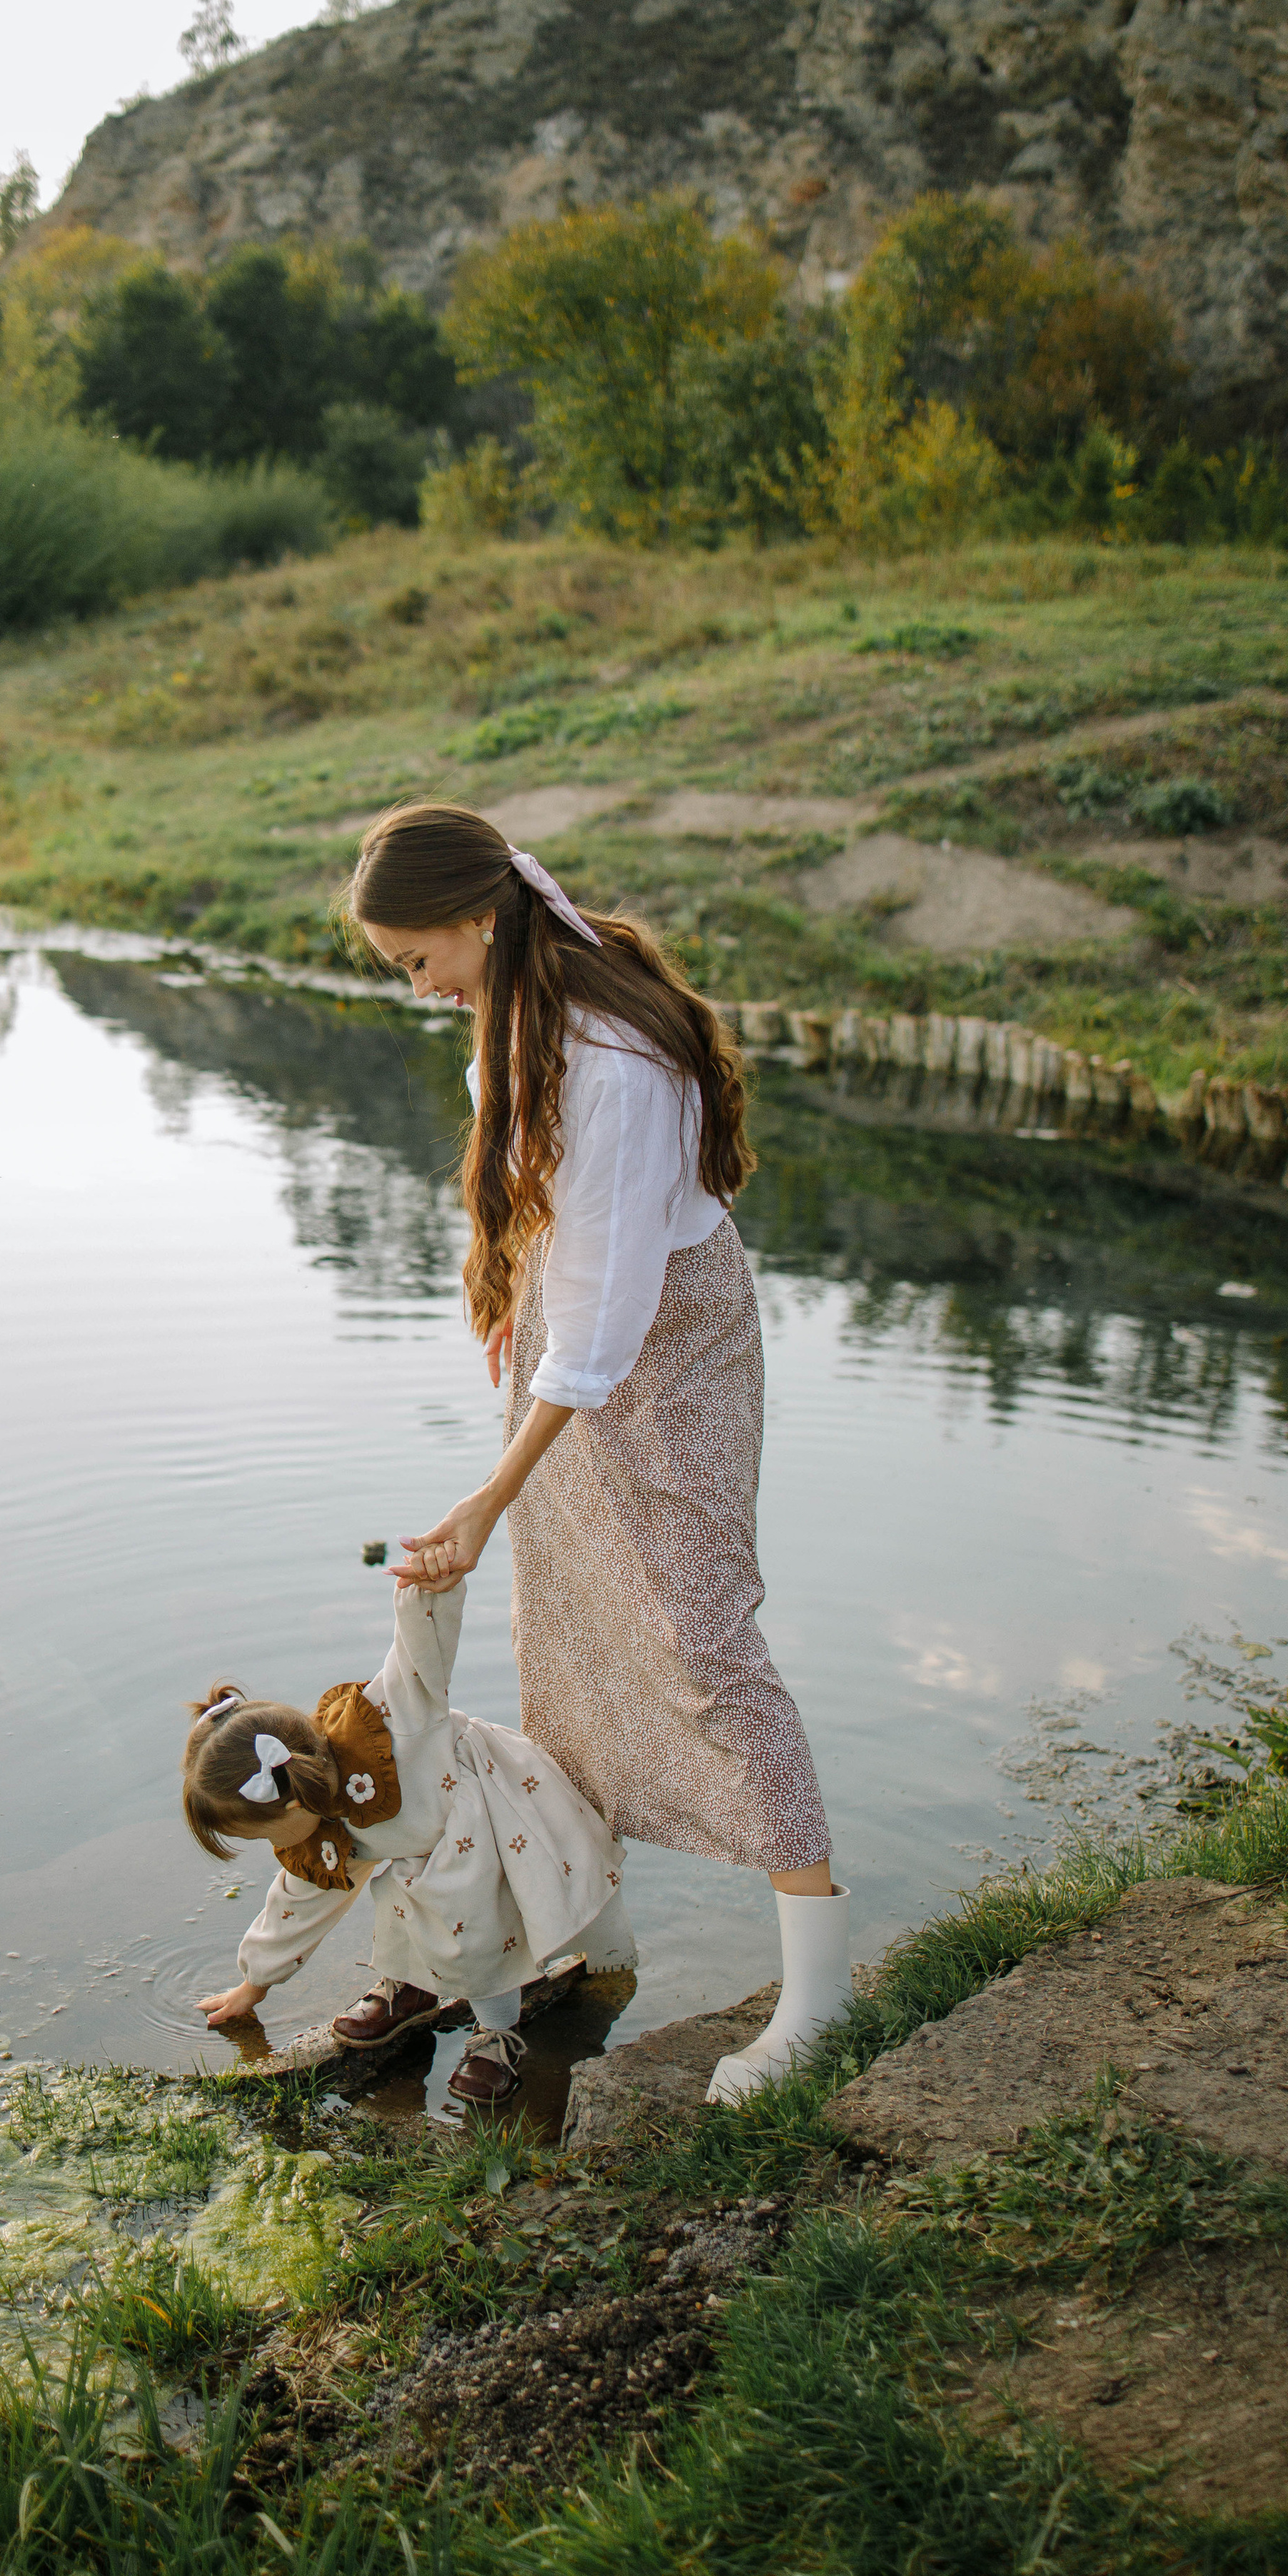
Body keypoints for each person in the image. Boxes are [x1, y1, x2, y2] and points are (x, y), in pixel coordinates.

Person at [346, 801, 849, 2104]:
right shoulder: (517, 1009)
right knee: (565, 1627)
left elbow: (618, 1312)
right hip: (570, 1343)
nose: (422, 984)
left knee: (704, 1642)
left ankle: (820, 2001)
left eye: (419, 958)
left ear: (478, 915)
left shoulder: (609, 1059)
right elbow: (555, 1218)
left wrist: (496, 1486)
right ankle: (561, 1939)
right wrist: (513, 1295)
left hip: (657, 1357)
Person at [188, 1573, 635, 2107]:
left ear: (288, 1805)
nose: (272, 1848)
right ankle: (413, 1987)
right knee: (400, 1893)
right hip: (428, 1847)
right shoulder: (317, 1820)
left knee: (471, 1922)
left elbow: (418, 1655)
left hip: (493, 1812)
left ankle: (496, 2034)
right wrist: (253, 1985)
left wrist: (427, 1588)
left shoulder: (389, 1726)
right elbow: (301, 1900)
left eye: (261, 1835)